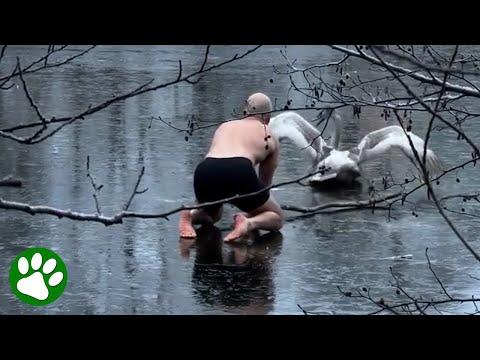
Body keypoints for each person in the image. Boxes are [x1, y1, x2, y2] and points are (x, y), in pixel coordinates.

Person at [178, 92, 284, 242]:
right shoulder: (268, 133)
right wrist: (255, 210)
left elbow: (217, 156)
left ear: (244, 112)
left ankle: (191, 214)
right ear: (268, 117)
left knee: (214, 215)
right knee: (277, 217)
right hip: (238, 170)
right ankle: (248, 223)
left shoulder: (225, 126)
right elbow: (264, 185)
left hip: (205, 170)